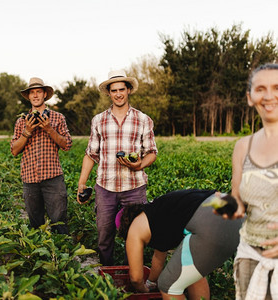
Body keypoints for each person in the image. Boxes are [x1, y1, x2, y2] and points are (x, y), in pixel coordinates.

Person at [77, 69, 157, 265]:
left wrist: (139, 165)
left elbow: (152, 152)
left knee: (136, 235)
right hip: (105, 187)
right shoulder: (99, 120)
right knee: (104, 237)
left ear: (129, 90)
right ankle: (107, 276)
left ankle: (133, 274)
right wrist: (81, 183)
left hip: (134, 187)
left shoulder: (143, 119)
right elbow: (91, 154)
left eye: (122, 89)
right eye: (114, 90)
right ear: (109, 93)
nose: (118, 94)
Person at [118, 189, 244, 300]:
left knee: (168, 286)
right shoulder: (157, 215)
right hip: (235, 213)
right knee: (191, 274)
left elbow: (135, 278)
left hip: (213, 221)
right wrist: (151, 283)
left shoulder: (134, 229)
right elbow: (158, 259)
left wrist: (143, 290)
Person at [230, 63, 278, 300]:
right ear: (250, 98)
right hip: (250, 253)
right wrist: (230, 206)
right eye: (261, 89)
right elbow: (237, 197)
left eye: (276, 87)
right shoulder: (243, 146)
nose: (269, 96)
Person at [10, 77, 72, 234]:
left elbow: (66, 145)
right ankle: (39, 255)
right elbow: (14, 150)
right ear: (29, 96)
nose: (35, 95)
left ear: (45, 94)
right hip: (30, 179)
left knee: (59, 222)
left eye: (39, 92)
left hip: (53, 178)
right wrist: (27, 131)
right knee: (35, 224)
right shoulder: (22, 121)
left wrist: (49, 129)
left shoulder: (57, 118)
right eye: (32, 93)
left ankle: (62, 254)